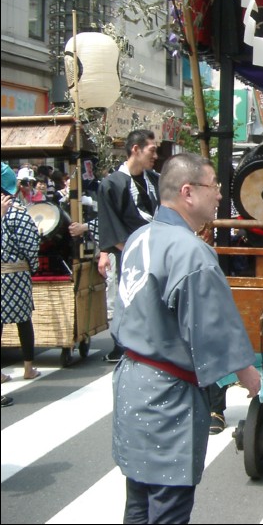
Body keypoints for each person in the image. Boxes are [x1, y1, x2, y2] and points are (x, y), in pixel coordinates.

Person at [111, 153, 261, 524]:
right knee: (168, 506)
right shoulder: (191, 251)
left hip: (131, 379)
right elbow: (213, 328)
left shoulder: (138, 237)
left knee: (139, 500)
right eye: (214, 187)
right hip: (166, 391)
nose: (219, 196)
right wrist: (251, 378)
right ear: (187, 191)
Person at [97, 129, 160, 363]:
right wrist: (134, 252)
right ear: (136, 149)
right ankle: (126, 347)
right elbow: (110, 225)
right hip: (129, 252)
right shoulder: (111, 184)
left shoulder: (154, 180)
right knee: (130, 299)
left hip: (156, 248)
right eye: (152, 150)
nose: (155, 156)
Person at [1, 162, 41, 407]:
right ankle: (28, 367)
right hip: (15, 275)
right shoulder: (16, 211)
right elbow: (31, 244)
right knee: (23, 320)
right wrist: (33, 265)